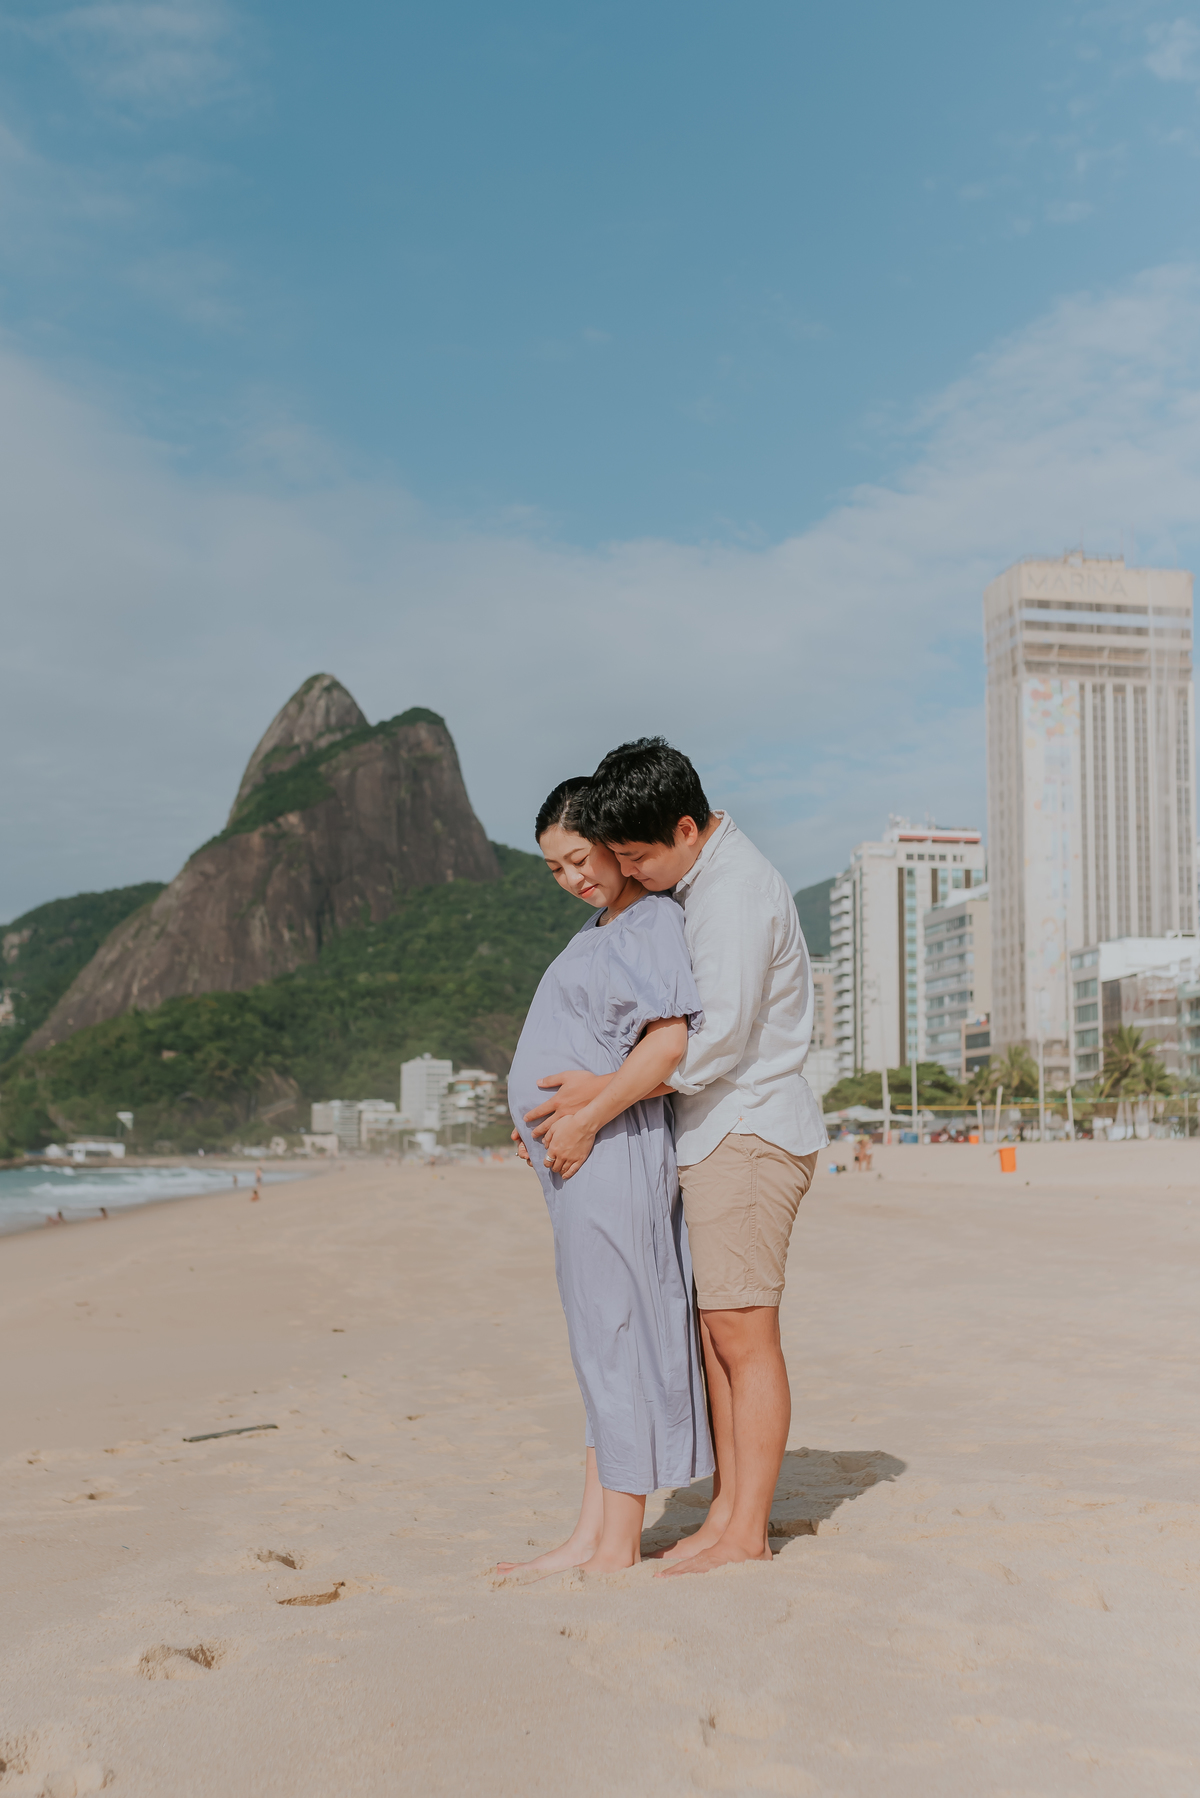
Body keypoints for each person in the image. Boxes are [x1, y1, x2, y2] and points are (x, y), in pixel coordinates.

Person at [528, 739, 827, 1576]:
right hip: (720, 1135)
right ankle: (731, 1513)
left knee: (743, 1334)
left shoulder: (729, 895)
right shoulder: (701, 882)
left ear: (687, 829)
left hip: (748, 1130)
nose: (633, 873)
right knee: (718, 1335)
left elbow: (712, 1043)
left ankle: (745, 1530)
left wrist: (597, 1100)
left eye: (636, 857)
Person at [499, 777, 713, 1575]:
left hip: (611, 1149)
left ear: (614, 845)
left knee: (618, 1332)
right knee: (597, 1338)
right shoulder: (600, 926)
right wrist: (537, 1119)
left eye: (580, 858)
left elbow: (666, 1043)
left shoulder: (651, 919)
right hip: (575, 1156)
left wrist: (581, 1118)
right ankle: (591, 1530)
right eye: (554, 867)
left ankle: (619, 1538)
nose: (572, 878)